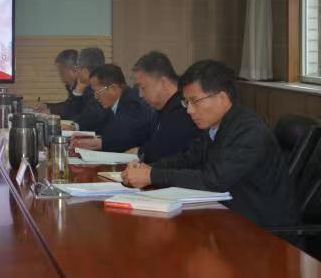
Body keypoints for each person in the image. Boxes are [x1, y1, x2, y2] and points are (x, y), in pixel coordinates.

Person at [122, 60, 299, 227]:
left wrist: (152, 176)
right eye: (186, 102)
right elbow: (188, 159)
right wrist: (148, 168)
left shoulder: (249, 131)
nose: (189, 110)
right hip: (229, 221)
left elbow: (213, 180)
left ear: (221, 98)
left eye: (195, 101)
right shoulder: (215, 127)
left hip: (263, 233)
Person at [132, 51, 200, 163]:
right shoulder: (161, 109)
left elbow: (163, 155)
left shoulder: (183, 111)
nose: (140, 94)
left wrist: (142, 153)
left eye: (143, 88)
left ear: (163, 83)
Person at [71, 63, 155, 153]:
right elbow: (102, 126)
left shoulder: (132, 103)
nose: (96, 97)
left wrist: (99, 143)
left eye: (97, 92)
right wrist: (87, 137)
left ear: (113, 88)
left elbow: (125, 137)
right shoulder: (113, 104)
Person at [62, 47, 110, 132]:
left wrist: (76, 126)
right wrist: (78, 91)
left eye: (77, 67)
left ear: (84, 70)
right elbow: (70, 114)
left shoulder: (102, 87)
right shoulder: (87, 87)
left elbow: (95, 115)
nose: (77, 71)